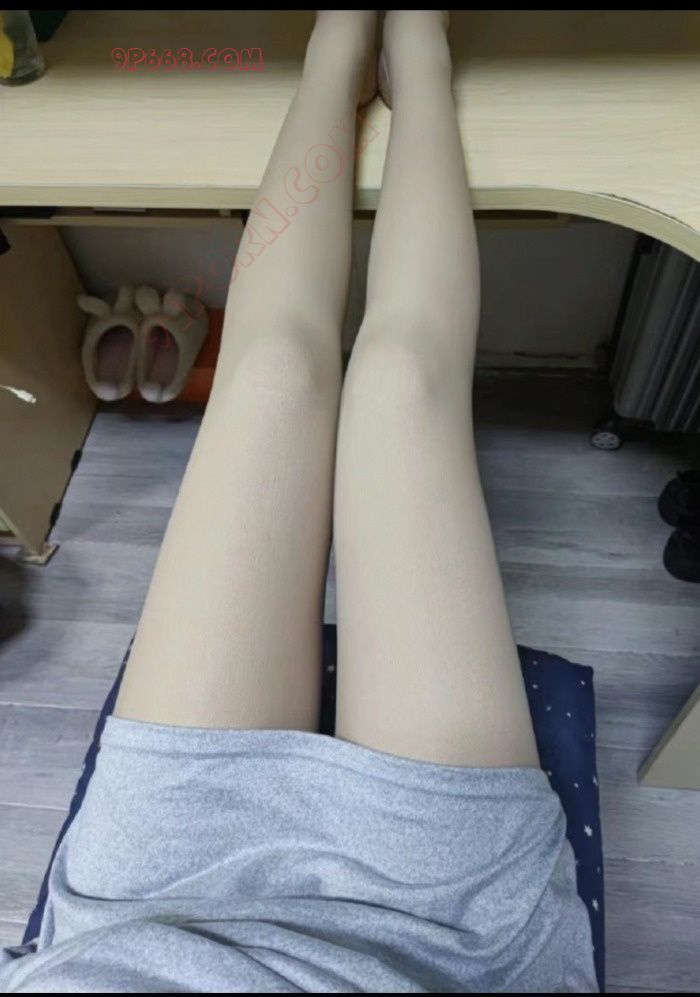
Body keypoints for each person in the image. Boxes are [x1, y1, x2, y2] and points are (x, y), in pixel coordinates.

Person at [0, 11, 597, 992]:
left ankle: (337, 48)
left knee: (272, 368)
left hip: (145, 914)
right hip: (443, 946)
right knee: (400, 383)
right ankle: (418, 56)